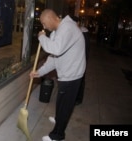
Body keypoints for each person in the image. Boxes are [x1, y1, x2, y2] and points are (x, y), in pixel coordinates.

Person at [29, 9, 86, 141]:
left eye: (44, 23)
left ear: (50, 18)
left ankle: (57, 135)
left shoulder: (67, 28)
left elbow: (56, 49)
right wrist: (40, 72)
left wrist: (42, 37)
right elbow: (54, 58)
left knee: (65, 105)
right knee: (61, 102)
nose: (44, 27)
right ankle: (59, 118)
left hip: (72, 74)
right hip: (66, 72)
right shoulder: (57, 32)